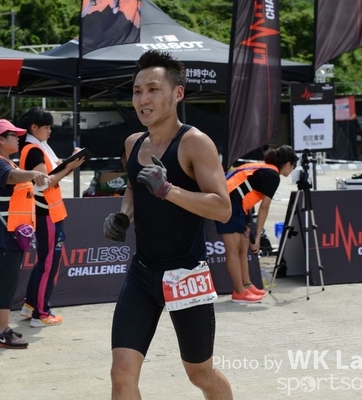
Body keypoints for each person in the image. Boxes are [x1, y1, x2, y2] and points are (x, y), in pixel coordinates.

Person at [103, 50, 233, 399]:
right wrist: (124, 215)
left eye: (153, 89)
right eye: (137, 91)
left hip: (186, 275)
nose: (143, 99)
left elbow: (223, 208)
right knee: (121, 374)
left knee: (200, 374)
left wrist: (168, 190)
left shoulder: (195, 143)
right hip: (142, 274)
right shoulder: (134, 143)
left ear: (178, 94)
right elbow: (134, 186)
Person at [0, 118, 49, 349]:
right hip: (1, 232)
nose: (19, 139)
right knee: (5, 283)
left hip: (6, 231)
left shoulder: (3, 162)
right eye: (14, 135)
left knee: (2, 281)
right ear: (1, 139)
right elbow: (10, 177)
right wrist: (33, 173)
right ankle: (2, 332)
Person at [17, 107, 84, 327]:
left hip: (49, 212)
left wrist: (70, 163)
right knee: (47, 264)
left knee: (43, 263)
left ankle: (30, 306)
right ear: (34, 127)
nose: (49, 131)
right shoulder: (33, 150)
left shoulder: (37, 147)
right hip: (45, 213)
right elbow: (44, 183)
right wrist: (69, 167)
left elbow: (52, 173)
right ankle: (41, 314)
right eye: (46, 127)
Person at [217, 146, 298, 303]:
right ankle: (239, 291)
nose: (292, 170)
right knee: (233, 249)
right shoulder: (273, 175)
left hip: (237, 204)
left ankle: (247, 285)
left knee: (243, 246)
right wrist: (258, 237)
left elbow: (247, 195)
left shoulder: (264, 169)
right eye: (293, 166)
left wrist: (248, 224)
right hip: (227, 202)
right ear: (288, 164)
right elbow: (264, 208)